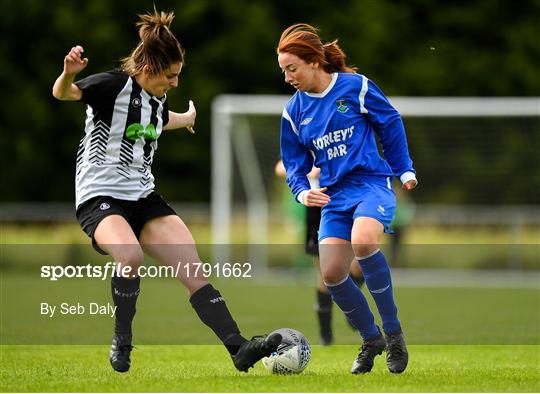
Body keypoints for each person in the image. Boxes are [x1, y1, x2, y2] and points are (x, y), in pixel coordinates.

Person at [52, 9, 280, 373]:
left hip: (144, 199)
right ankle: (122, 341)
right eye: (171, 76)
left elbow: (161, 119)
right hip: (100, 197)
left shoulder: (156, 101)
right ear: (150, 68)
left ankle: (239, 348)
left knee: (192, 268)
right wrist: (68, 73)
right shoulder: (112, 86)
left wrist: (187, 119)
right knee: (129, 257)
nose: (175, 83)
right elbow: (64, 94)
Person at [277, 24, 417, 374]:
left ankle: (394, 334)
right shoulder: (293, 112)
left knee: (365, 241)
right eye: (283, 70)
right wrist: (301, 190)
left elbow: (391, 122)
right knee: (332, 273)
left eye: (291, 68)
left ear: (313, 62)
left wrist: (404, 169)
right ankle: (372, 340)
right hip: (334, 196)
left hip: (372, 184)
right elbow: (295, 166)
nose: (287, 77)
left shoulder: (355, 87)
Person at [275, 160, 365, 345]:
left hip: (348, 199)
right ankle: (326, 334)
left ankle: (352, 307)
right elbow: (280, 167)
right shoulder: (302, 136)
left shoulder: (347, 133)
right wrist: (308, 169)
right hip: (318, 207)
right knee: (326, 274)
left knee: (359, 265)